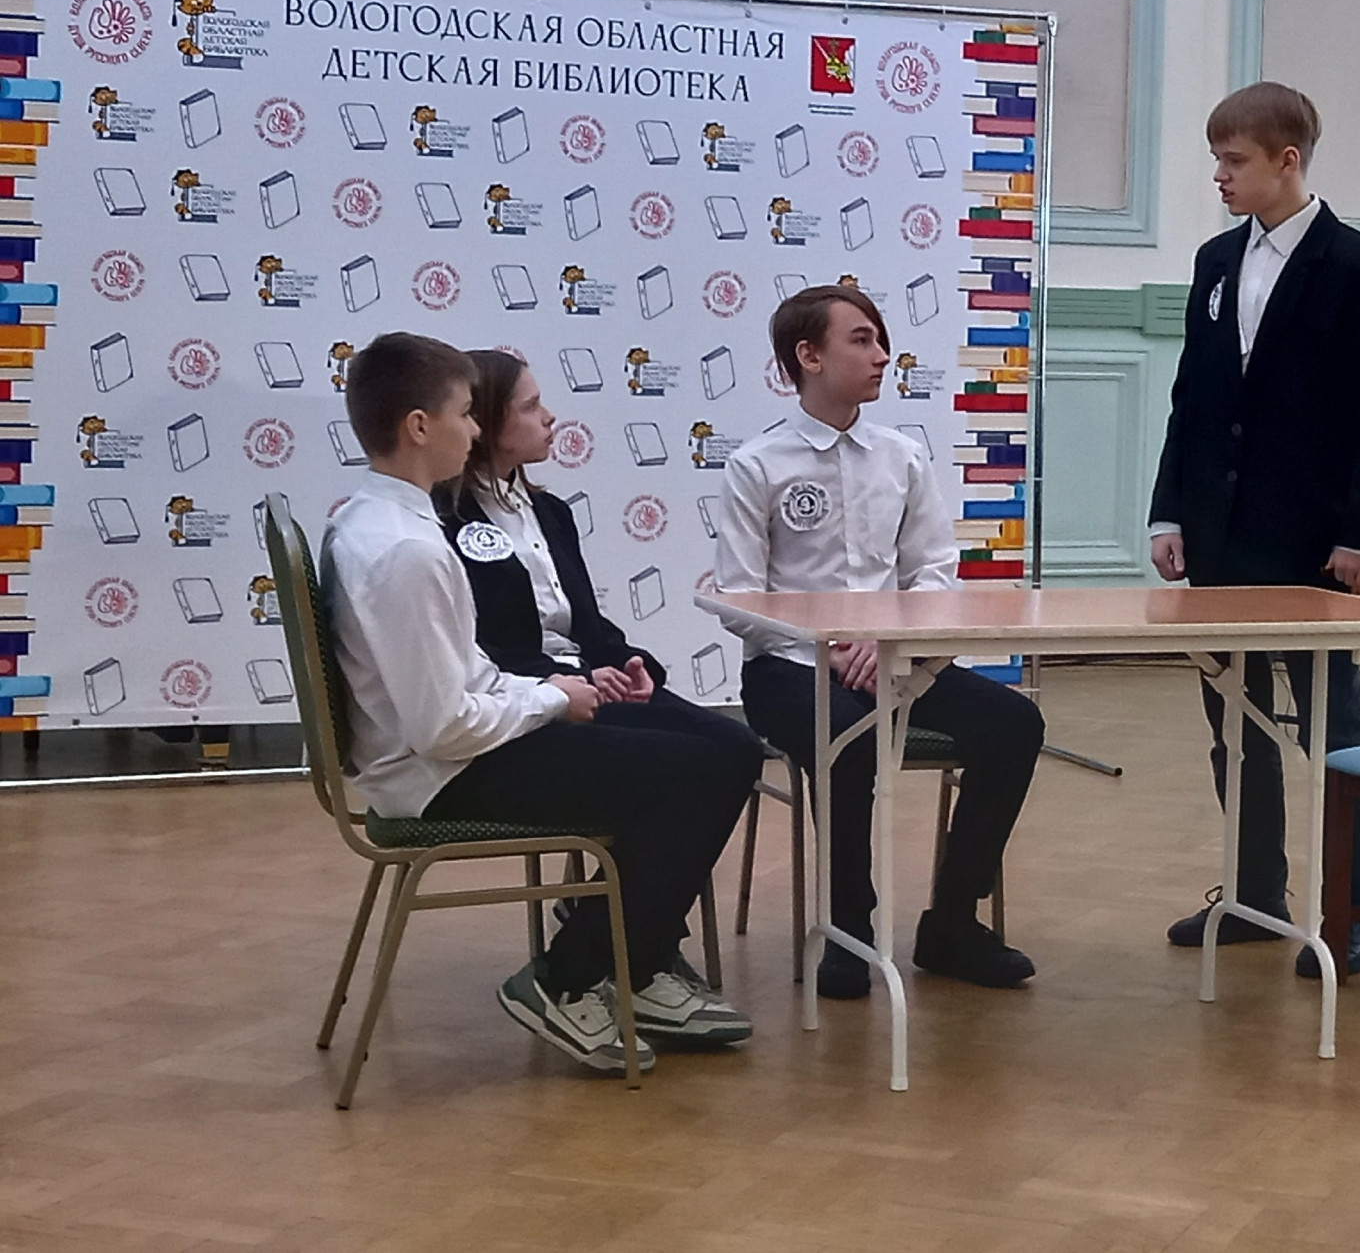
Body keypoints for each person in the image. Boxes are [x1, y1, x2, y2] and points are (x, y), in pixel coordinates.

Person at [321, 332, 759, 1076]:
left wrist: (553, 692)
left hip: (454, 750)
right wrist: (551, 700)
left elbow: (469, 677)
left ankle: (626, 958)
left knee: (710, 757)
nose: (474, 429)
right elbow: (444, 727)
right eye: (466, 413)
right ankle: (568, 977)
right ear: (420, 426)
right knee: (693, 775)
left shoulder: (385, 522)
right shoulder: (408, 550)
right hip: (441, 775)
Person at [1148, 82, 1360, 979]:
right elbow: (1193, 396)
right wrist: (1170, 509)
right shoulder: (1216, 260)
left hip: (1313, 543)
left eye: (1234, 161)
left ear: (1286, 161)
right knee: (1235, 721)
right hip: (1221, 537)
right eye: (1216, 161)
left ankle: (1354, 912)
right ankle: (1256, 894)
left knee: (1335, 727)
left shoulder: (1355, 262)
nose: (1219, 176)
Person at [713, 285, 1044, 1000]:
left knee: (1015, 723)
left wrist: (889, 637)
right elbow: (740, 599)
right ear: (808, 356)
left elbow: (933, 573)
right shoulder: (757, 465)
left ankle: (951, 922)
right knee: (848, 735)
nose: (881, 356)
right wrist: (831, 642)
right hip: (791, 666)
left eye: (881, 340)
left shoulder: (903, 456)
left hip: (894, 659)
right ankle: (847, 928)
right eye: (861, 340)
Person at [433, 347, 768, 1001]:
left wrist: (629, 667)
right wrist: (570, 683)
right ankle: (618, 959)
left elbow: (586, 623)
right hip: (526, 704)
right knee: (690, 772)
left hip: (584, 685)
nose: (550, 417)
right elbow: (479, 651)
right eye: (531, 407)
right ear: (487, 423)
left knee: (737, 747)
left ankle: (624, 929)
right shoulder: (444, 524)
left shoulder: (551, 512)